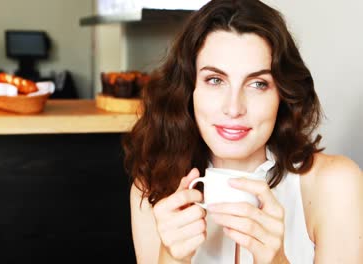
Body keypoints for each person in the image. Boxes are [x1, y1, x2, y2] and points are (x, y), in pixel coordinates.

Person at [122, 0, 363, 263]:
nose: (234, 108)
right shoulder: (152, 187)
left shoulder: (335, 185)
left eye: (258, 84)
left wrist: (277, 260)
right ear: (188, 89)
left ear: (282, 94)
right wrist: (171, 257)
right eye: (215, 80)